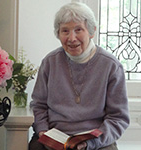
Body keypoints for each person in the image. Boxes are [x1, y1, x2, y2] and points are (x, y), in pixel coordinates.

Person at [29, 2, 130, 150]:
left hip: (96, 142)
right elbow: (38, 105)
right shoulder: (50, 62)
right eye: (65, 31)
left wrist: (90, 143)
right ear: (58, 34)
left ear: (91, 31)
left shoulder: (111, 65)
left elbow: (118, 117)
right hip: (53, 137)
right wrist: (43, 131)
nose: (72, 38)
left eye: (78, 30)